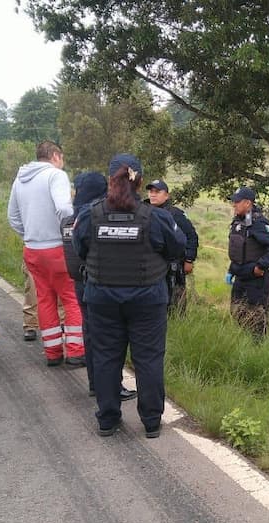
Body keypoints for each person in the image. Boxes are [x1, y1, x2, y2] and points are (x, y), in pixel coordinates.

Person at [73, 153, 185, 438]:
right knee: (148, 358)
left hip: (102, 296)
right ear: (140, 181)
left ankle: (107, 419)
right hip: (147, 297)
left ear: (110, 180)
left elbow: (80, 249)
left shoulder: (90, 214)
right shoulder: (156, 217)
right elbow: (176, 248)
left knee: (107, 356)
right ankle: (151, 422)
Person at [7, 141, 85, 367]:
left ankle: (52, 353)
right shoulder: (55, 175)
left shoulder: (20, 179)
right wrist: (69, 232)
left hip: (32, 249)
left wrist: (31, 235)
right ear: (55, 155)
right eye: (62, 158)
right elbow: (63, 208)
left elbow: (12, 217)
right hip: (57, 247)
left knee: (45, 298)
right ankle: (76, 352)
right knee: (71, 298)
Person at [61, 171, 137, 401]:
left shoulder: (69, 219)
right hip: (98, 283)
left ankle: (96, 383)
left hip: (78, 282)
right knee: (108, 341)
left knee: (90, 333)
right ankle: (111, 387)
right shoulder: (94, 216)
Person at [226, 186, 269, 340]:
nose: (234, 205)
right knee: (237, 312)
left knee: (257, 319)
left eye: (236, 202)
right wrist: (231, 270)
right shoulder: (238, 222)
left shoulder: (259, 223)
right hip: (240, 277)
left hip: (256, 280)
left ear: (247, 203)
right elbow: (238, 250)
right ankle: (248, 343)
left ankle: (261, 348)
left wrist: (260, 266)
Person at [146, 179, 199, 316]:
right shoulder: (142, 210)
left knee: (175, 302)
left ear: (167, 195)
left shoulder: (175, 214)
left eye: (157, 192)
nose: (153, 195)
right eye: (151, 191)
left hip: (173, 267)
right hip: (149, 265)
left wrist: (189, 259)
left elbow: (191, 236)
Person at [22, 262, 38, 341]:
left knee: (60, 287)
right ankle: (30, 324)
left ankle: (62, 322)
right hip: (33, 252)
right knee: (31, 287)